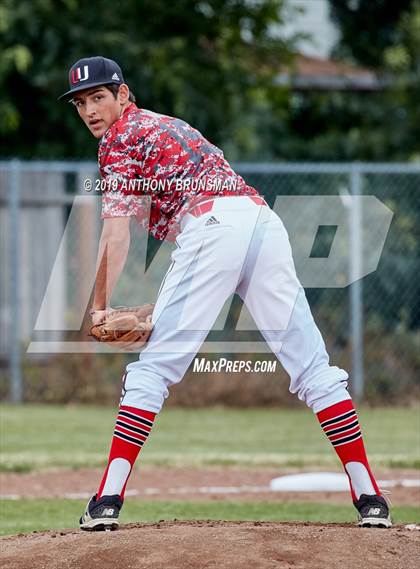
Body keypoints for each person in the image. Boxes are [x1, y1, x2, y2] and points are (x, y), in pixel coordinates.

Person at [59, 56, 391, 531]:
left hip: (212, 225)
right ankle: (371, 500)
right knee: (313, 365)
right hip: (261, 221)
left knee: (153, 368)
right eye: (80, 103)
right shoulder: (168, 124)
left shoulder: (117, 139)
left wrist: (95, 311)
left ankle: (106, 500)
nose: (90, 110)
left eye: (98, 97)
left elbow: (117, 235)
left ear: (123, 95)